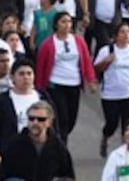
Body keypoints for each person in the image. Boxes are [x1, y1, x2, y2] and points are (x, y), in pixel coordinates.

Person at [35, 11, 98, 140]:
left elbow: (86, 61)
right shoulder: (48, 44)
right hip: (56, 85)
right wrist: (39, 89)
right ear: (56, 25)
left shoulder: (78, 41)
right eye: (63, 22)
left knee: (71, 120)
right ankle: (61, 146)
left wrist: (91, 80)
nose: (67, 25)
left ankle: (60, 137)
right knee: (61, 118)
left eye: (69, 21)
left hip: (74, 85)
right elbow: (40, 67)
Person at [94, 22, 129, 157]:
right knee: (112, 123)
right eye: (122, 32)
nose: (126, 35)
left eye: (128, 32)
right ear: (115, 36)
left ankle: (125, 152)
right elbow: (96, 69)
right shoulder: (107, 50)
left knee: (127, 125)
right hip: (110, 94)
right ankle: (105, 137)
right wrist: (106, 61)